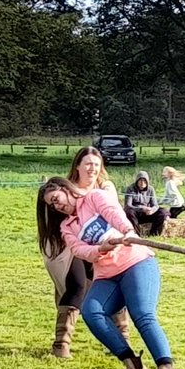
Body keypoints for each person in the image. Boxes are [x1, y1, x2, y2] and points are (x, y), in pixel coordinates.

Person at [38, 176, 184, 369]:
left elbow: (113, 212)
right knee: (91, 311)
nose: (57, 205)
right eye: (52, 205)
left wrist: (127, 231)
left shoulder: (94, 197)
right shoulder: (67, 227)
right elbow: (79, 249)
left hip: (136, 262)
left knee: (142, 313)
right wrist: (100, 248)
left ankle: (165, 366)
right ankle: (133, 364)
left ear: (65, 189)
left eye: (55, 198)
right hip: (106, 275)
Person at [39, 147, 125, 358]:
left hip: (103, 247)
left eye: (96, 164)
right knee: (76, 285)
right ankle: (61, 344)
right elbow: (54, 229)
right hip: (71, 249)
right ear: (77, 166)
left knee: (111, 288)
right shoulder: (62, 192)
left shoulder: (106, 188)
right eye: (87, 163)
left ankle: (120, 341)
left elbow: (115, 215)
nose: (92, 168)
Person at [123, 170, 168, 236]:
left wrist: (152, 210)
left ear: (147, 182)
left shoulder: (151, 189)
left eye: (144, 181)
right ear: (137, 181)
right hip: (136, 214)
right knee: (129, 212)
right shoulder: (130, 189)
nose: (142, 183)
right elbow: (128, 206)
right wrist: (141, 209)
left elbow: (155, 205)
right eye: (140, 181)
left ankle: (154, 234)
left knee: (163, 212)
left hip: (147, 213)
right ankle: (136, 235)